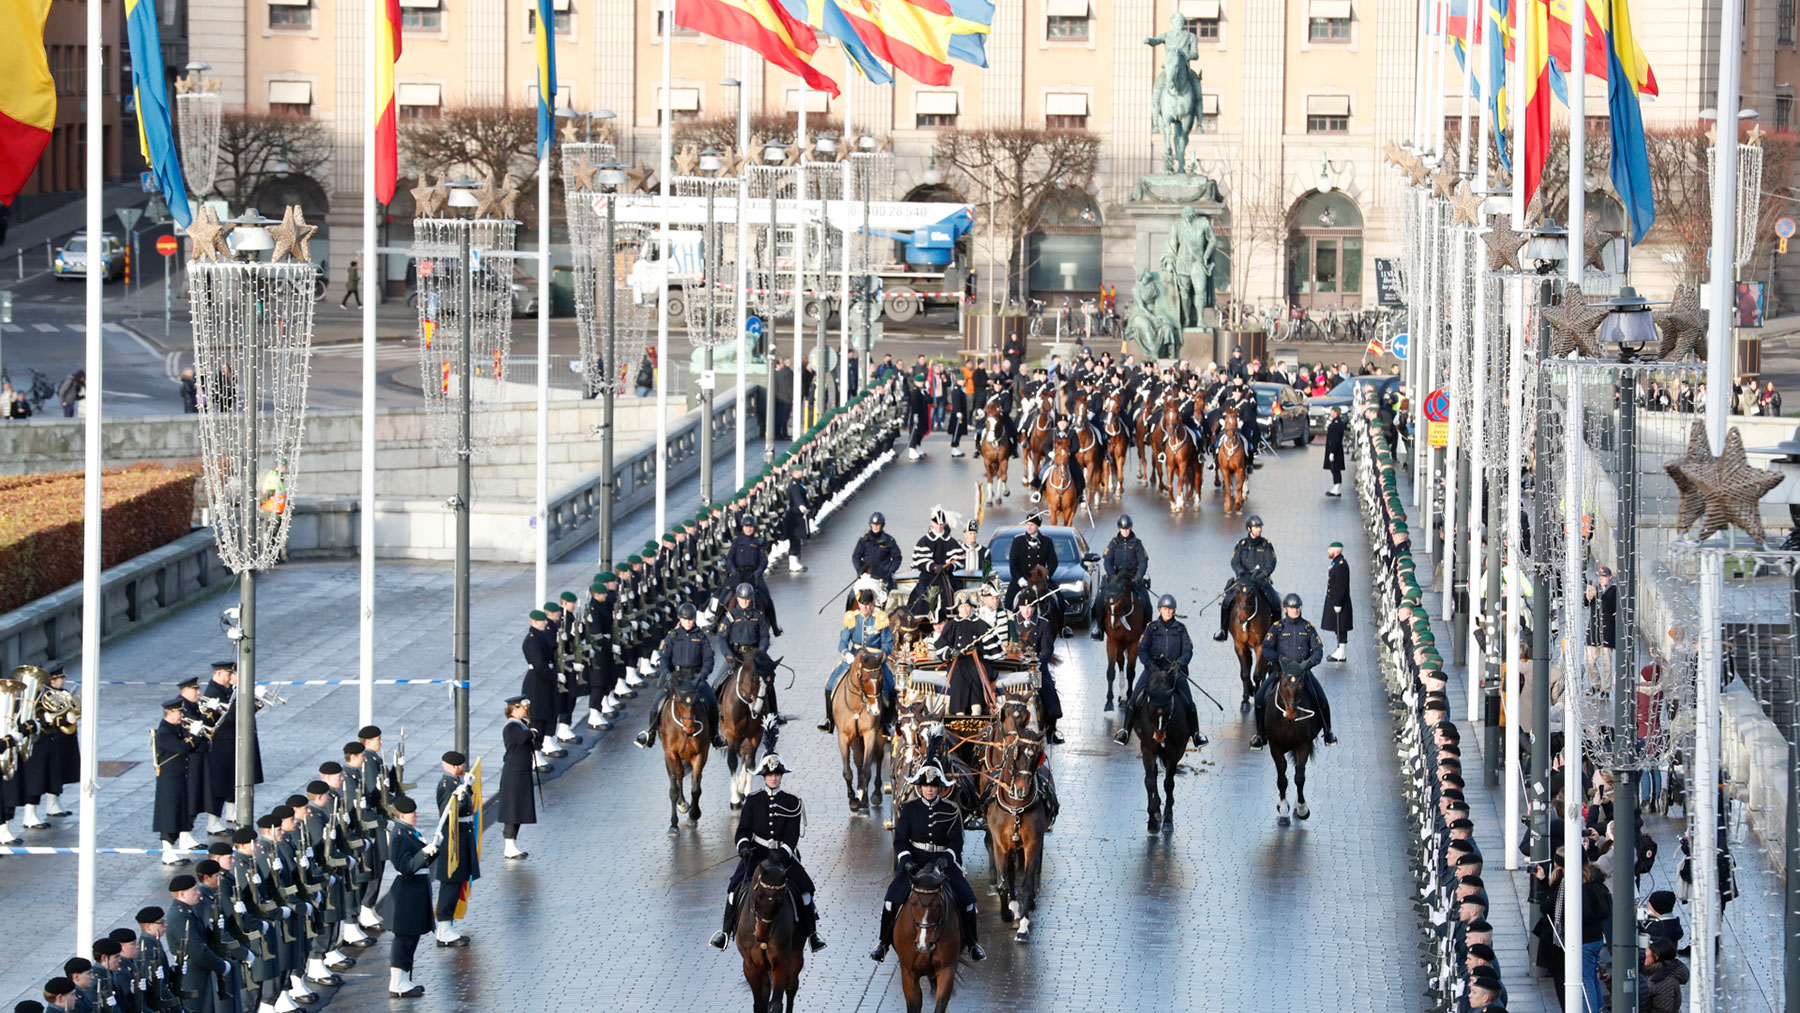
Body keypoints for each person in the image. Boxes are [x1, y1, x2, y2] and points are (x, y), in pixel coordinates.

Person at [710, 755, 826, 952]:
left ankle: (813, 935)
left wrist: (782, 854)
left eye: (777, 774)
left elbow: (792, 837)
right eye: (770, 774)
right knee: (733, 887)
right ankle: (725, 932)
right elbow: (743, 831)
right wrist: (744, 846)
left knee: (806, 888)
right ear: (763, 776)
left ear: (782, 776)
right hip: (757, 854)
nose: (774, 778)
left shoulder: (792, 801)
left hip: (784, 856)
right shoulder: (753, 800)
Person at [869, 764, 984, 964]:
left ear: (940, 788)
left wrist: (947, 857)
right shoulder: (909, 809)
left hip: (944, 864)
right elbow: (900, 839)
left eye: (933, 786)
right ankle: (883, 943)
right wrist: (905, 860)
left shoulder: (951, 810)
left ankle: (973, 944)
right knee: (890, 901)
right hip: (914, 863)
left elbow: (956, 841)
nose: (929, 789)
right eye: (925, 785)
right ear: (919, 788)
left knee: (968, 902)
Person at [1113, 595, 1206, 748]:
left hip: (1174, 670)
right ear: (1159, 610)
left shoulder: (1181, 629)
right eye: (1165, 609)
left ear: (1174, 610)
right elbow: (1142, 649)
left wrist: (1180, 663)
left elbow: (1188, 651)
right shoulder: (1151, 627)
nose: (1168, 612)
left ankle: (1196, 734)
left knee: (1189, 703)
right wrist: (1150, 665)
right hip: (1153, 670)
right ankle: (1125, 731)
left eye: (1170, 609)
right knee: (1134, 699)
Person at [1249, 594, 1336, 748]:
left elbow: (1318, 650)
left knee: (1322, 699)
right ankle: (1260, 735)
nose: (1295, 611)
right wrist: (1279, 659)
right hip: (1281, 673)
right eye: (1292, 608)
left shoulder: (1308, 628)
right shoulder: (1277, 627)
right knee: (1260, 697)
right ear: (1285, 609)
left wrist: (1308, 663)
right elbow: (1266, 648)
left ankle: (1328, 732)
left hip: (1303, 673)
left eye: (1297, 608)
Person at [635, 603, 726, 749]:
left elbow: (709, 660)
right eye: (685, 619)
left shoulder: (702, 637)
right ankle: (650, 733)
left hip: (695, 678)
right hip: (676, 677)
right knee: (658, 701)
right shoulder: (672, 636)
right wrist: (668, 674)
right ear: (679, 619)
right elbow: (664, 659)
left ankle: (715, 736)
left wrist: (702, 675)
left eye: (690, 619)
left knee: (711, 701)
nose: (688, 622)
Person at [820, 589, 896, 733]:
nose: (865, 607)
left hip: (875, 660)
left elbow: (888, 643)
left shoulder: (880, 618)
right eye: (862, 604)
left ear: (873, 604)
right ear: (859, 604)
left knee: (890, 686)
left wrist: (881, 656)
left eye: (868, 604)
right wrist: (846, 653)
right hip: (854, 657)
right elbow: (842, 643)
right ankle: (829, 720)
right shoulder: (852, 618)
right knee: (830, 683)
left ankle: (888, 722)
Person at [380, 795, 433, 998]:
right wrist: (424, 854)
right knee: (404, 938)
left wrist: (432, 851)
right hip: (408, 890)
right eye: (413, 813)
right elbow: (405, 866)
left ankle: (404, 979)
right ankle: (397, 982)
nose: (416, 815)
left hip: (416, 889)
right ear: (402, 815)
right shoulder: (400, 834)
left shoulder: (408, 831)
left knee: (412, 937)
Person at [432, 751, 477, 945]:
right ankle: (443, 926)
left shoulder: (456, 783)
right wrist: (458, 800)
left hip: (462, 836)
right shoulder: (447, 785)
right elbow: (446, 814)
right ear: (453, 766)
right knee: (451, 882)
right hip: (453, 839)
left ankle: (448, 924)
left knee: (458, 880)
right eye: (461, 765)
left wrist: (468, 788)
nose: (464, 767)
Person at [717, 582, 780, 714]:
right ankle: (718, 713)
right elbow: (722, 639)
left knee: (768, 682)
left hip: (754, 656)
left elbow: (764, 637)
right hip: (736, 655)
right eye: (743, 599)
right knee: (717, 683)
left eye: (748, 599)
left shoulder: (758, 616)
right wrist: (728, 655)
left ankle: (774, 713)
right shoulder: (730, 617)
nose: (745, 602)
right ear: (738, 599)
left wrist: (761, 651)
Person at [1215, 515, 1281, 641]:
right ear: (1249, 529)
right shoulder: (1241, 544)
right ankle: (1223, 631)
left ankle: (1276, 635)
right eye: (1256, 527)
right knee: (1226, 602)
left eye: (1260, 527)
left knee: (1276, 603)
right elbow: (1235, 561)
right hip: (1243, 581)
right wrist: (1241, 572)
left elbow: (1271, 563)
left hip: (1260, 581)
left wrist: (1261, 575)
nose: (1259, 530)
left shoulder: (1266, 545)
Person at [152, 699, 196, 866]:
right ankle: (167, 852)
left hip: (179, 777)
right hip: (169, 780)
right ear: (169, 713)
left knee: (178, 812)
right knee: (169, 814)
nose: (182, 715)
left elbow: (192, 747)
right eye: (179, 712)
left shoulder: (176, 728)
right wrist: (193, 735)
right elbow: (182, 748)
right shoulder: (164, 732)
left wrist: (195, 734)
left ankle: (173, 849)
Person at [1093, 513, 1151, 641]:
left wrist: (1138, 577)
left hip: (1132, 578)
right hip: (1116, 578)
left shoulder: (1137, 544)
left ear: (1130, 528)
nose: (1125, 531)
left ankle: (1146, 632)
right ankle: (1099, 629)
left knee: (1146, 602)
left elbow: (1143, 562)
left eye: (1127, 529)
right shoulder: (1113, 543)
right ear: (1119, 528)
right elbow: (1107, 561)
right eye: (1123, 529)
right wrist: (1112, 576)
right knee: (1100, 599)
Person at [1015, 595, 1064, 744]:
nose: (1027, 611)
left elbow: (1047, 649)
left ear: (1034, 608)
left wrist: (1036, 662)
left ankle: (1051, 732)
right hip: (1016, 668)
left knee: (1050, 699)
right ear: (1019, 608)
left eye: (1030, 607)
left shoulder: (1043, 624)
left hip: (1037, 668)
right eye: (1024, 608)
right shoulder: (1011, 623)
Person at [520, 608, 563, 771]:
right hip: (537, 683)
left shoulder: (540, 636)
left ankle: (541, 748)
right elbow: (539, 665)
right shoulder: (531, 640)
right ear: (534, 622)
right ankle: (534, 754)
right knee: (537, 718)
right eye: (542, 621)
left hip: (545, 682)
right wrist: (554, 676)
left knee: (547, 714)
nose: (546, 622)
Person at [497, 697, 538, 860]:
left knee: (519, 807)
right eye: (522, 708)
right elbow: (523, 738)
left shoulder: (521, 724)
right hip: (514, 772)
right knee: (512, 809)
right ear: (513, 709)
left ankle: (512, 843)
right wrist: (532, 733)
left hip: (521, 771)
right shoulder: (512, 726)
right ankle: (509, 845)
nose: (525, 711)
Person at [726, 514, 780, 635]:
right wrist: (733, 570)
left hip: (754, 575)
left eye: (751, 527)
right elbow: (729, 559)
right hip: (739, 574)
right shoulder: (736, 542)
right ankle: (717, 623)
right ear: (742, 527)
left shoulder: (759, 542)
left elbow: (764, 560)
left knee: (767, 599)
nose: (749, 529)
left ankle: (774, 626)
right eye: (746, 527)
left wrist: (758, 572)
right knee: (725, 597)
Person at [907, 507, 961, 619]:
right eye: (937, 524)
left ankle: (951, 619)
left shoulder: (951, 541)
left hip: (945, 577)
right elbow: (919, 560)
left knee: (953, 595)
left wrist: (948, 567)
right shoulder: (924, 541)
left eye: (942, 524)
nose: (940, 526)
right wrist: (933, 566)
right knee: (921, 595)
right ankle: (919, 619)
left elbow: (958, 559)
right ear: (932, 523)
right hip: (928, 578)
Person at [1008, 512, 1060, 597]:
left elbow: (1053, 562)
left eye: (1031, 525)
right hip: (1022, 579)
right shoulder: (1018, 541)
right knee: (1009, 600)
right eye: (1027, 524)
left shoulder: (1047, 541)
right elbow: (1013, 563)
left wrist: (1046, 575)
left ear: (1038, 526)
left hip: (1040, 579)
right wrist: (1020, 579)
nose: (1029, 527)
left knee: (1058, 598)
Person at [851, 512, 902, 588]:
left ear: (882, 525)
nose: (875, 527)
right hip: (867, 575)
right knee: (855, 595)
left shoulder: (889, 540)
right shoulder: (864, 540)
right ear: (870, 525)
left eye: (878, 525)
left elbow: (897, 557)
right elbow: (856, 556)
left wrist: (891, 570)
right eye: (873, 524)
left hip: (884, 576)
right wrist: (859, 569)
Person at [1321, 541, 1352, 662]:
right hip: (1335, 600)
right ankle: (1340, 649)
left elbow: (1341, 585)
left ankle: (1341, 651)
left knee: (1340, 626)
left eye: (1330, 549)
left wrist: (1338, 603)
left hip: (1340, 602)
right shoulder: (1336, 563)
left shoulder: (1341, 565)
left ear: (1337, 550)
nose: (1329, 552)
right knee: (1337, 626)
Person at [1639, 937, 1688, 1013]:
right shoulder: (1650, 973)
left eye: (1646, 950)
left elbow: (1662, 1010)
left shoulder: (1665, 981)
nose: (1643, 953)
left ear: (1656, 956)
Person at [782, 464, 809, 573]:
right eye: (800, 471)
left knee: (797, 539)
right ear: (795, 472)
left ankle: (796, 561)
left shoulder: (798, 483)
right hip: (795, 516)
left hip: (797, 515)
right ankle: (793, 563)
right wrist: (801, 505)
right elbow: (796, 495)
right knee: (795, 539)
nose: (802, 472)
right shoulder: (794, 485)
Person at [904, 373, 931, 459]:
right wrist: (915, 415)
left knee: (920, 432)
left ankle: (917, 446)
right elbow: (914, 404)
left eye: (922, 382)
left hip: (923, 415)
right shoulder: (914, 392)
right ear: (915, 382)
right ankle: (911, 449)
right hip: (916, 414)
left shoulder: (922, 391)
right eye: (919, 382)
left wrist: (926, 391)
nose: (921, 383)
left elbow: (930, 400)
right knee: (914, 432)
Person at [1322, 406, 1347, 496]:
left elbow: (1335, 439)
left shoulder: (1337, 424)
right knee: (1334, 469)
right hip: (1335, 449)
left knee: (1335, 469)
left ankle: (1337, 488)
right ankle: (1336, 487)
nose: (1330, 413)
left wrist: (1332, 452)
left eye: (1332, 411)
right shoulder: (1336, 422)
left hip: (1335, 450)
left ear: (1336, 412)